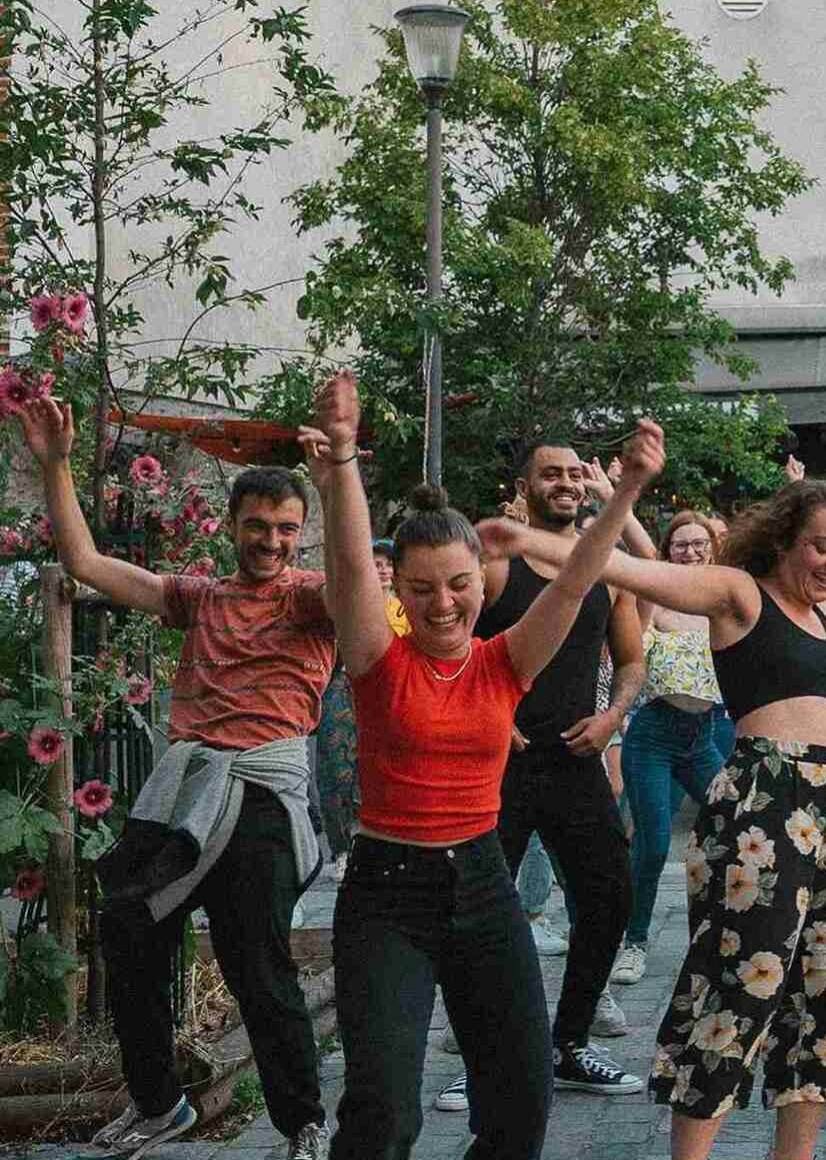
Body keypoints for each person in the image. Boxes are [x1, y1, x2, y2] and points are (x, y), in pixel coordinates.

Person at [495, 478, 826, 1160]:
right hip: (762, 808)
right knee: (743, 984)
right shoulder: (741, 595)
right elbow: (631, 568)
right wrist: (530, 540)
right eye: (821, 547)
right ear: (785, 539)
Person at [300, 374, 658, 1160]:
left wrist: (625, 490)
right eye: (421, 589)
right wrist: (344, 462)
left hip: (485, 889)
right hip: (388, 895)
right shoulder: (375, 659)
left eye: (459, 585)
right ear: (401, 591)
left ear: (480, 583)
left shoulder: (505, 661)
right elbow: (354, 570)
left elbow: (574, 580)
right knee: (385, 1114)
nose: (442, 605)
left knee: (520, 1109)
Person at [20, 395, 335, 1160]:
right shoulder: (199, 597)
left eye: (287, 529)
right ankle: (159, 1104)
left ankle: (304, 1125)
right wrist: (58, 464)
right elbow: (88, 565)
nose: (271, 542)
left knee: (254, 960)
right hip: (188, 786)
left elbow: (360, 592)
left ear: (301, 534)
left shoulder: (313, 599)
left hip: (262, 790)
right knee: (129, 925)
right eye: (257, 526)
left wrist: (340, 475)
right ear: (233, 526)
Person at [434, 441, 650, 1111]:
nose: (563, 483)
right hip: (499, 765)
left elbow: (633, 658)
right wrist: (493, 720)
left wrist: (613, 715)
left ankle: (570, 1043)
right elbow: (449, 648)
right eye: (548, 474)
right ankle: (483, 1059)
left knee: (611, 896)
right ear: (524, 485)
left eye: (573, 474)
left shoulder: (604, 570)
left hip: (577, 759)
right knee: (475, 916)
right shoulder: (495, 567)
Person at [610, 511, 728, 990]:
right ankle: (634, 943)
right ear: (668, 551)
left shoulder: (720, 601)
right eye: (681, 545)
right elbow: (642, 558)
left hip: (703, 737)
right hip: (654, 737)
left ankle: (720, 933)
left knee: (736, 820)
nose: (692, 551)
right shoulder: (654, 601)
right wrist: (619, 501)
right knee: (654, 844)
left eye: (700, 543)